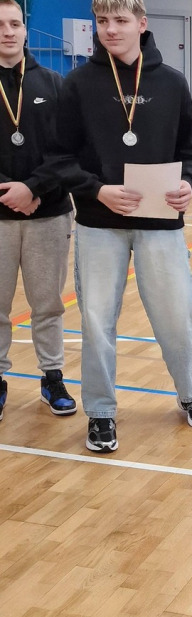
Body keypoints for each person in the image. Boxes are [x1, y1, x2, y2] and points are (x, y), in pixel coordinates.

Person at [49, 0, 192, 453]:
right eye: (102, 21)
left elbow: (190, 152)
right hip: (99, 222)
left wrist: (188, 183)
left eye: (120, 21)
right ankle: (101, 412)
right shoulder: (77, 84)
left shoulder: (172, 83)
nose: (110, 29)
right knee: (97, 320)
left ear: (142, 24)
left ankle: (190, 392)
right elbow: (59, 158)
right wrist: (97, 190)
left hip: (161, 223)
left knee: (176, 315)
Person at [0, 0, 76, 421]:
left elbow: (67, 151)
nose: (8, 31)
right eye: (0, 25)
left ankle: (52, 377)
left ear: (25, 30)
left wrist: (32, 189)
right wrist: (9, 193)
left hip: (48, 212)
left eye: (15, 23)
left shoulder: (54, 83)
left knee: (48, 304)